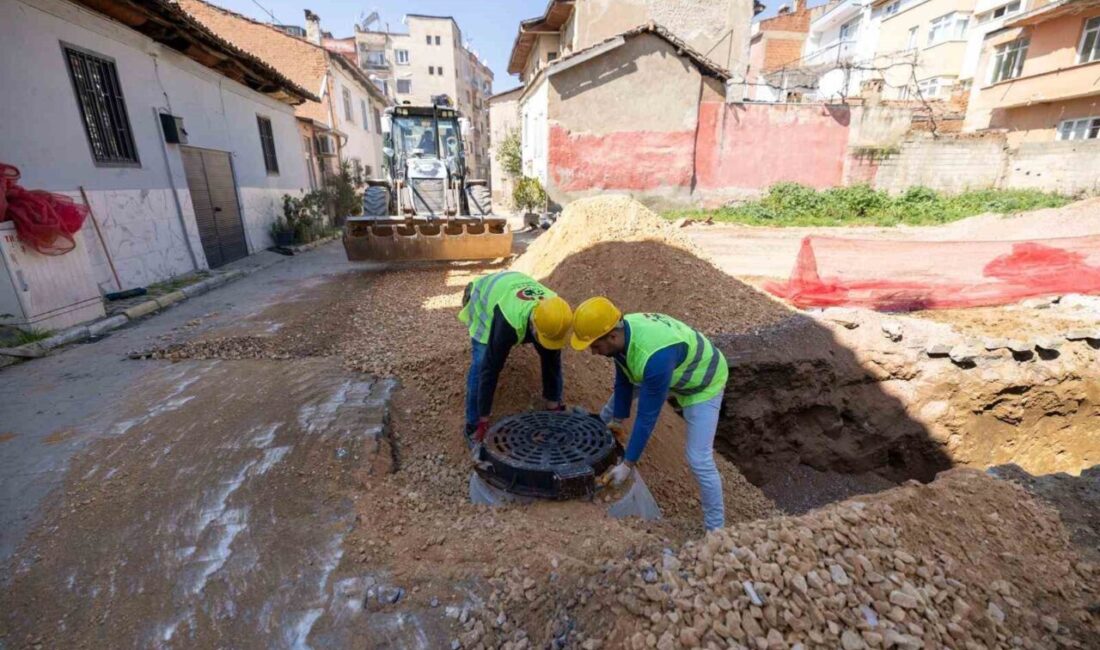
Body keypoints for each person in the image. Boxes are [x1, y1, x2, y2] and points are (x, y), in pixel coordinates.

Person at [570, 297, 728, 532]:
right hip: (668, 368)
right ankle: (603, 422)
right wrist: (617, 420)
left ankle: (716, 530)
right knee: (621, 398)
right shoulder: (623, 335)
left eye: (594, 346)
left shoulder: (653, 357)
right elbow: (624, 378)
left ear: (612, 336)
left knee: (699, 458)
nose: (593, 352)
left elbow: (647, 416)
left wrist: (628, 464)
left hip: (703, 382)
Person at [458, 271, 573, 445]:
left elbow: (552, 360)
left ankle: (552, 403)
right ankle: (473, 424)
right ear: (533, 327)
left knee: (550, 353)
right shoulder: (508, 321)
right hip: (483, 295)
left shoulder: (555, 312)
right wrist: (483, 419)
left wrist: (554, 404)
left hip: (511, 287)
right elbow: (490, 369)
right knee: (482, 362)